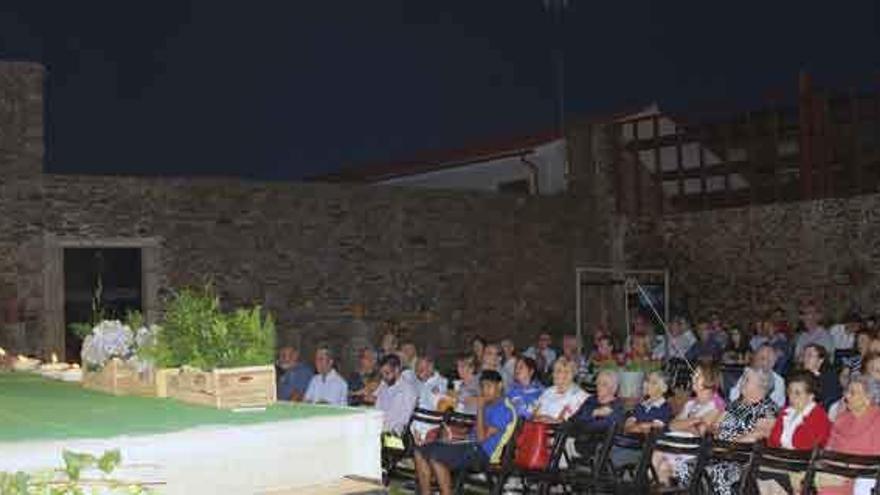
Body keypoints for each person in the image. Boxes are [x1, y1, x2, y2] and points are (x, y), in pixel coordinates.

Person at [414, 370, 516, 495]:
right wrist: (454, 435)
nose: (485, 391)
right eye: (483, 386)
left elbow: (480, 438)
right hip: (470, 446)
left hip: (483, 454)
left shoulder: (504, 409)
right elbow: (472, 434)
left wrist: (479, 407)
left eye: (489, 386)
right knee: (420, 451)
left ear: (500, 386)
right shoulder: (489, 405)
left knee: (436, 455)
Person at [679, 367, 778, 495]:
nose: (741, 382)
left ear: (761, 385)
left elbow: (759, 434)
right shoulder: (735, 404)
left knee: (718, 472)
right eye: (743, 378)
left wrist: (728, 446)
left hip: (742, 459)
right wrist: (715, 435)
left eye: (746, 379)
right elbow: (714, 425)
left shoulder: (768, 408)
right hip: (718, 453)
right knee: (686, 467)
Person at [757, 372, 832, 495]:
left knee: (765, 474)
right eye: (790, 392)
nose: (792, 397)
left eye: (797, 393)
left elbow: (805, 446)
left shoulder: (818, 416)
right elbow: (772, 442)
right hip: (782, 462)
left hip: (803, 465)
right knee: (751, 470)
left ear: (811, 396)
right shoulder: (786, 412)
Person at [653, 362, 725, 486]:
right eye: (694, 375)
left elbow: (700, 432)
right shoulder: (690, 403)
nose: (692, 378)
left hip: (694, 453)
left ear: (709, 379)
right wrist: (693, 421)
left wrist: (686, 423)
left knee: (658, 461)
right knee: (656, 464)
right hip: (677, 446)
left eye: (697, 376)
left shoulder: (717, 405)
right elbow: (671, 425)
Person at [807, 375, 880, 495]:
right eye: (847, 391)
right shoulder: (842, 419)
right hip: (834, 472)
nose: (846, 396)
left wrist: (846, 467)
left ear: (868, 398)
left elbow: (875, 458)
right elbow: (829, 450)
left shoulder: (877, 420)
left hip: (862, 476)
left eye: (853, 393)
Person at [610, 371, 672, 469]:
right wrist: (640, 426)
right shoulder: (641, 406)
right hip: (630, 444)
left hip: (646, 451)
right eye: (647, 381)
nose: (647, 385)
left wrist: (638, 426)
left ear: (664, 388)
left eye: (653, 383)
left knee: (610, 456)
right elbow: (627, 426)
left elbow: (651, 430)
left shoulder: (664, 409)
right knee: (603, 449)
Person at [729, 344, 786, 408]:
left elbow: (780, 404)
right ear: (755, 359)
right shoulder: (747, 374)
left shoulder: (779, 381)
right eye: (762, 358)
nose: (765, 362)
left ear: (774, 361)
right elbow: (733, 397)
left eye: (769, 360)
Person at [374, 354, 418, 434]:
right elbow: (377, 409)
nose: (384, 377)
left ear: (397, 370)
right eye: (382, 374)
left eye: (387, 373)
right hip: (379, 427)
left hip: (393, 433)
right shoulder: (384, 385)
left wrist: (384, 430)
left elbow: (404, 421)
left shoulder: (408, 390)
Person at [533, 357, 588, 422]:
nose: (555, 374)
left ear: (571, 375)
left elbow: (562, 421)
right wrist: (540, 418)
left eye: (566, 372)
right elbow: (534, 414)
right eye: (555, 371)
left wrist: (545, 418)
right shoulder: (548, 391)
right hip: (538, 427)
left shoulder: (578, 394)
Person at [800, 343, 842, 408]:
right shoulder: (799, 376)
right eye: (804, 356)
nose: (805, 359)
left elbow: (829, 401)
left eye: (809, 355)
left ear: (820, 360)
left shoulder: (830, 378)